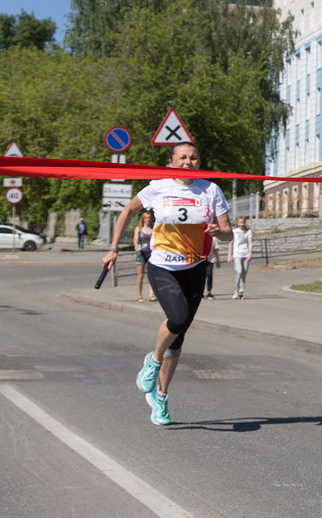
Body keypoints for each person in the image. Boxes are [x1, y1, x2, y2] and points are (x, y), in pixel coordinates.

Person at [101, 142, 232, 425]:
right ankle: (153, 360)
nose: (188, 162)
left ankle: (160, 397)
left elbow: (228, 233)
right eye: (182, 157)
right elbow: (127, 212)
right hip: (162, 266)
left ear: (199, 161)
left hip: (195, 267)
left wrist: (218, 231)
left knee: (179, 338)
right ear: (171, 162)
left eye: (194, 157)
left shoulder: (210, 190)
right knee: (178, 317)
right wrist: (113, 247)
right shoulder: (157, 186)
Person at [227, 216, 252, 299]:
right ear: (237, 223)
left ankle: (241, 291)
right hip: (237, 254)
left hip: (245, 254)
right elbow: (231, 243)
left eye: (243, 222)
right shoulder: (234, 231)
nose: (242, 224)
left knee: (244, 273)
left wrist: (250, 253)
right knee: (239, 271)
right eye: (240, 222)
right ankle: (235, 290)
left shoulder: (248, 231)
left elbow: (250, 243)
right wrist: (229, 255)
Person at [133, 212, 155, 302]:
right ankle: (140, 294)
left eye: (149, 218)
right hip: (141, 253)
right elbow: (135, 240)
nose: (148, 219)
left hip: (151, 253)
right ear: (143, 219)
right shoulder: (139, 229)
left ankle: (151, 294)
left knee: (151, 275)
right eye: (146, 218)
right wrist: (137, 248)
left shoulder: (153, 229)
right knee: (140, 275)